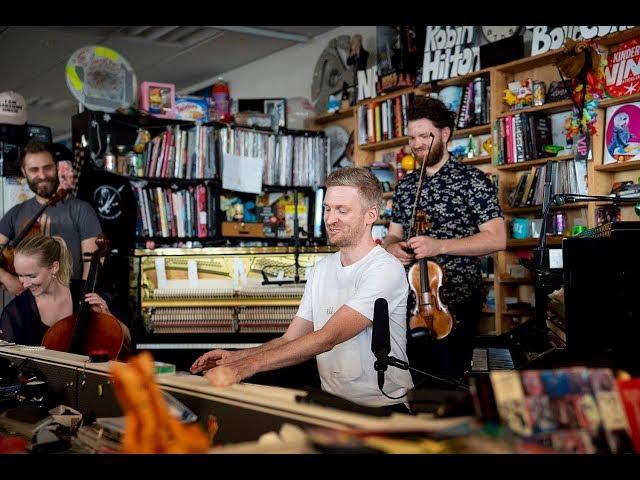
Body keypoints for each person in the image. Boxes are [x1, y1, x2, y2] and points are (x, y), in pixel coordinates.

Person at [191, 167, 414, 410]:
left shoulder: (384, 269)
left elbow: (327, 338)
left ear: (370, 215)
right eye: (327, 209)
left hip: (383, 407)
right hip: (332, 405)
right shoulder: (321, 269)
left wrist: (248, 366)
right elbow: (291, 338)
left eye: (342, 210)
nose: (330, 219)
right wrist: (236, 357)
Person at [383, 96, 506, 383]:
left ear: (445, 134)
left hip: (456, 301)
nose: (417, 144)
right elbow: (392, 233)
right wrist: (393, 247)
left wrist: (439, 246)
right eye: (412, 137)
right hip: (410, 302)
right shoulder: (407, 185)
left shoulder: (472, 180)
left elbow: (497, 239)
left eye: (425, 135)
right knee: (412, 379)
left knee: (447, 380)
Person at [0, 140, 102, 295]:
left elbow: (93, 266)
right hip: (27, 309)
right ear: (24, 171)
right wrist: (7, 278)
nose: (42, 175)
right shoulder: (16, 213)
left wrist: (83, 303)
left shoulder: (81, 209)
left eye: (47, 168)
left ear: (56, 166)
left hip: (68, 304)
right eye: (34, 169)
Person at [0, 235, 129, 346]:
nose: (25, 284)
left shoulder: (87, 293)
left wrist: (108, 316)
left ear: (54, 267)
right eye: (20, 275)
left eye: (32, 276)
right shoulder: (15, 312)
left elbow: (127, 340)